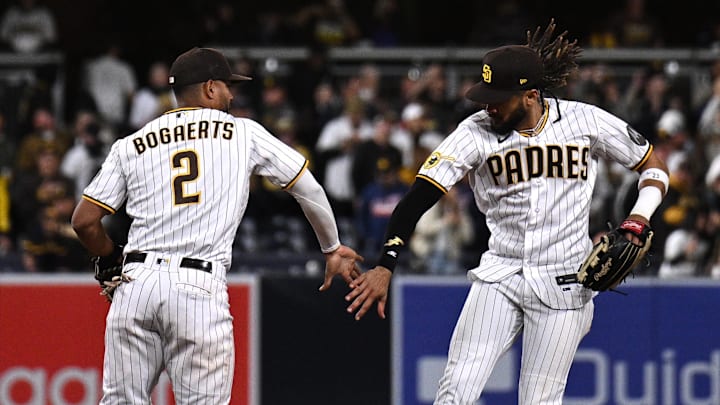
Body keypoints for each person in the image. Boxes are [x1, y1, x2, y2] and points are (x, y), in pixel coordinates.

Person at [345, 20, 669, 404]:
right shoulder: (474, 132)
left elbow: (653, 166)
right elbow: (417, 198)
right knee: (454, 392)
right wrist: (386, 264)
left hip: (565, 282)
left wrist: (639, 215)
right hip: (501, 274)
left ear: (531, 95)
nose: (488, 105)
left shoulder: (586, 121)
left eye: (498, 97)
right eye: (485, 95)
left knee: (539, 400)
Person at [70, 47, 363, 404]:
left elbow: (84, 222)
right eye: (226, 86)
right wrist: (331, 247)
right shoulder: (242, 132)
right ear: (209, 88)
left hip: (136, 285)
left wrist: (110, 257)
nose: (231, 94)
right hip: (197, 286)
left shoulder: (131, 144)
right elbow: (307, 187)